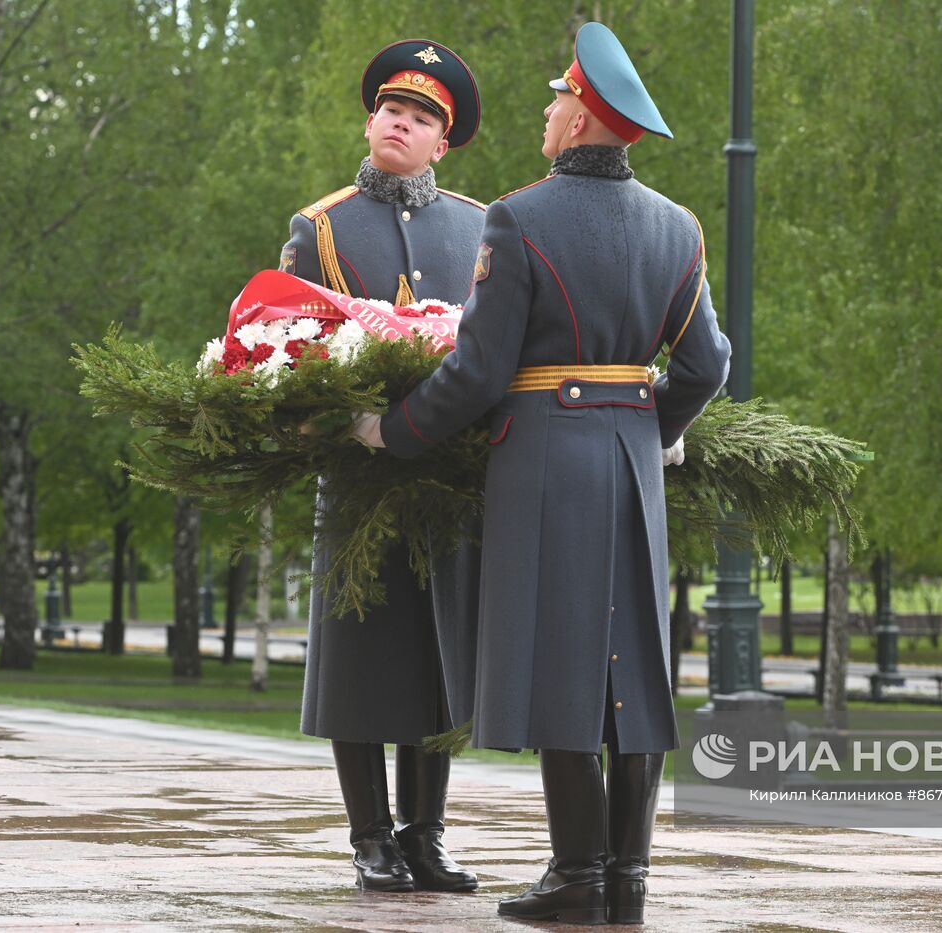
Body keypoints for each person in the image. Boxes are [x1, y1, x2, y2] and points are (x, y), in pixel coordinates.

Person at [354, 22, 730, 924]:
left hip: (544, 456)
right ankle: (625, 879)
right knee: (633, 665)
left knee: (564, 659)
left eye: (560, 99)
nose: (551, 111)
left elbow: (480, 371)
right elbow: (708, 360)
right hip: (632, 459)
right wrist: (660, 427)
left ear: (586, 118)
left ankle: (576, 875)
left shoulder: (519, 216)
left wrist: (392, 431)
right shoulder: (678, 227)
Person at [287, 38, 485, 893]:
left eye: (420, 119)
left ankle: (427, 835)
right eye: (391, 112)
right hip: (362, 475)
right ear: (370, 121)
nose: (400, 125)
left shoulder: (480, 224)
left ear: (444, 142)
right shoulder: (321, 225)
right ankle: (371, 836)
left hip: (447, 477)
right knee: (362, 656)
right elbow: (294, 352)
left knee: (438, 657)